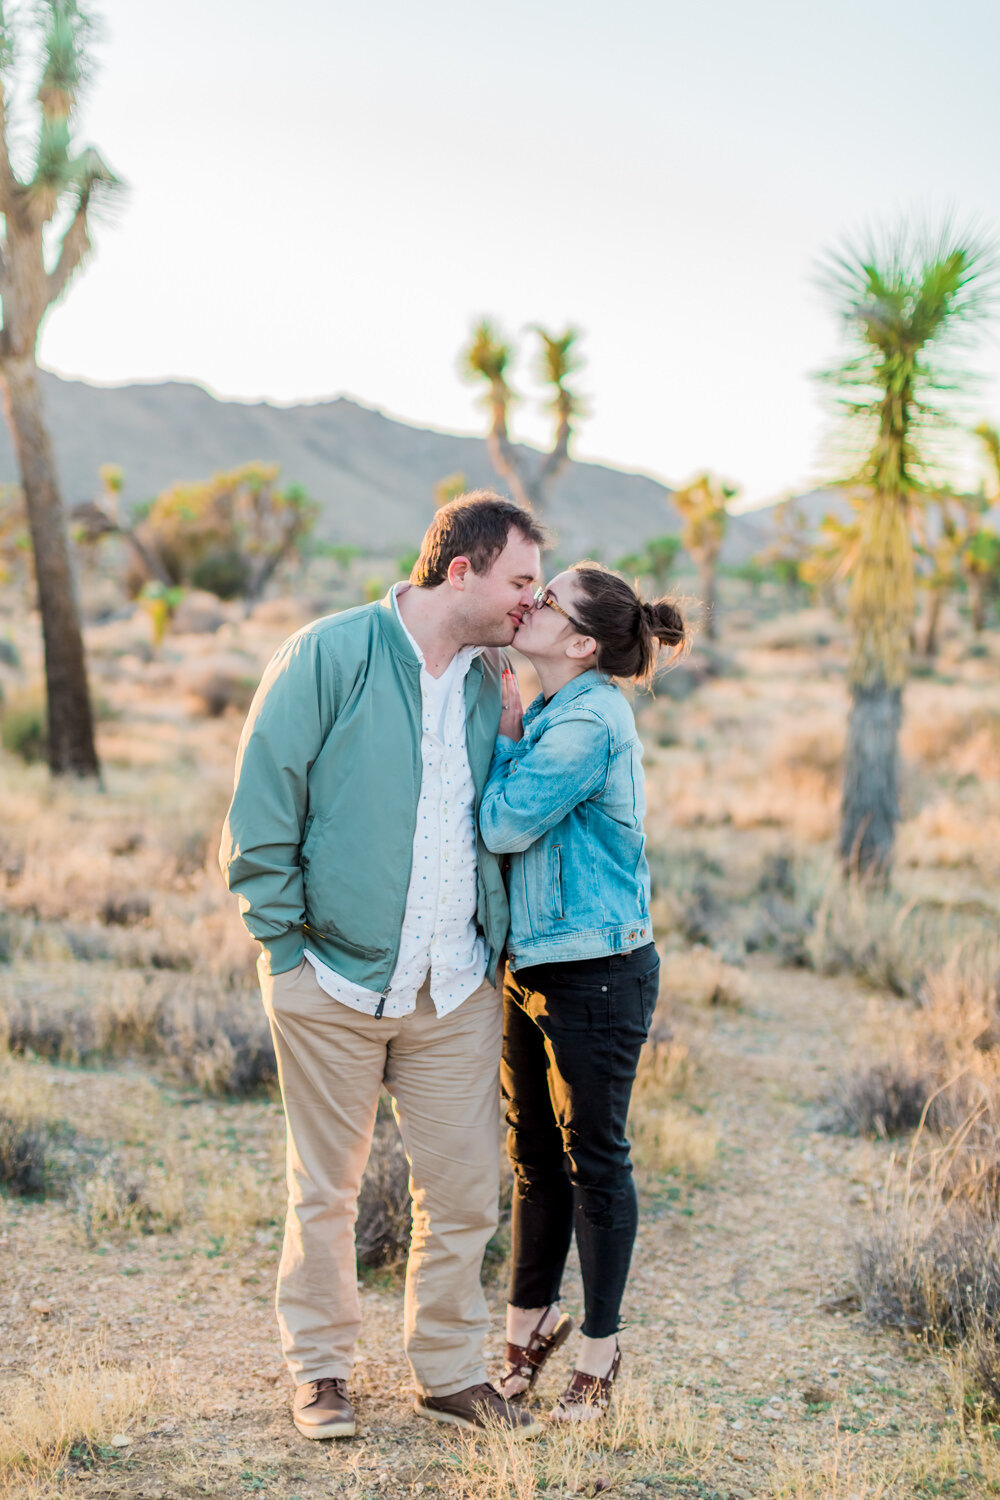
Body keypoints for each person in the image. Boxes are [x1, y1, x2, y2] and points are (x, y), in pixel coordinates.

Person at [220, 493, 545, 1440]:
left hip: (453, 989)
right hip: (331, 979)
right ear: (462, 572)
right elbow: (262, 802)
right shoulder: (329, 653)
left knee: (463, 1190)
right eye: (519, 583)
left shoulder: (493, 683)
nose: (530, 602)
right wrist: (286, 951)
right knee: (324, 1190)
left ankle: (447, 1371)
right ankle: (319, 1372)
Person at [479, 562, 689, 1420]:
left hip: (596, 973)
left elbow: (501, 823)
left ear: (580, 642)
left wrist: (502, 736)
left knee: (594, 1160)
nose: (529, 602)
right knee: (535, 1158)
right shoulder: (560, 709)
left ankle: (600, 1353)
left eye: (549, 598)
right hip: (536, 965)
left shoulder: (588, 722)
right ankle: (532, 1322)